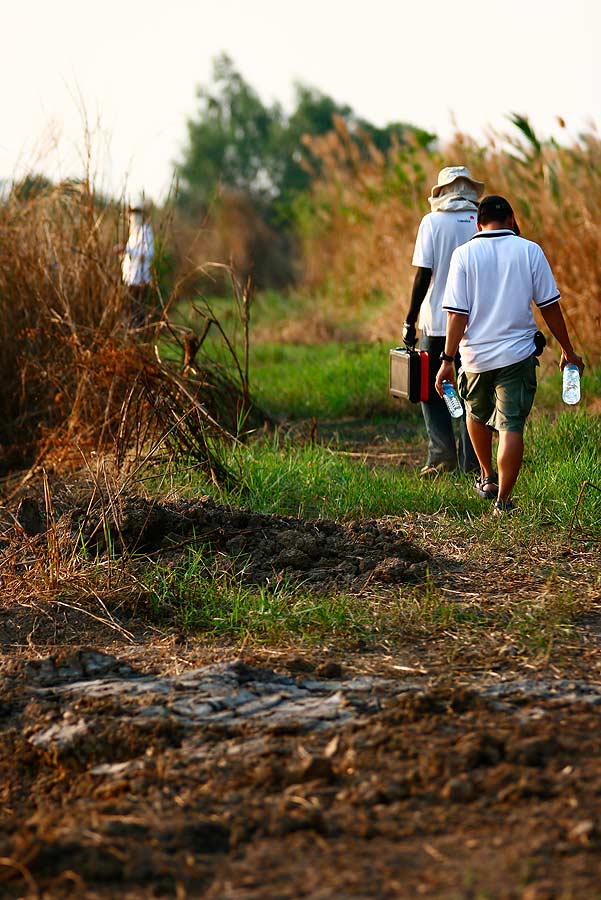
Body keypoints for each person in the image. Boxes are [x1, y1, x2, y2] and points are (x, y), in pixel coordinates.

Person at [435, 195, 584, 515]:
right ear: (512, 219)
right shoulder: (530, 250)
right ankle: (503, 501)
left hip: (475, 358)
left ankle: (487, 477)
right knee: (511, 426)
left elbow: (456, 316)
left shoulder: (462, 255)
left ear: (478, 222)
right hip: (517, 356)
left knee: (475, 415)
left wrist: (447, 361)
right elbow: (550, 306)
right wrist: (568, 351)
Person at [403, 166, 484, 478]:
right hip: (476, 325)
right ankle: (471, 461)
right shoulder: (482, 220)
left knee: (431, 390)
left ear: (442, 191)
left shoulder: (432, 222)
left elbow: (423, 275)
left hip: (437, 322)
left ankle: (441, 456)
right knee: (470, 393)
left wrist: (409, 321)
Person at [118, 203, 155, 328]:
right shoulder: (133, 233)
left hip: (140, 279)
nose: (133, 216)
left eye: (136, 213)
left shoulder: (145, 231)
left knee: (138, 311)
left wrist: (128, 251)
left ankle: (140, 335)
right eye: (131, 213)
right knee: (130, 310)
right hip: (130, 279)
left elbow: (149, 253)